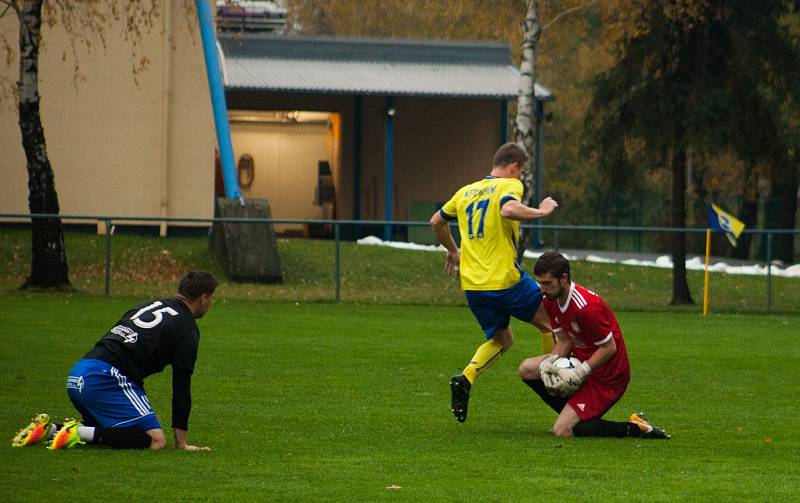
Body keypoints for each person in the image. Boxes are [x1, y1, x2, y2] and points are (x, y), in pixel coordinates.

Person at [11, 271, 218, 450]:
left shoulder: (148, 305)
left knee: (112, 430)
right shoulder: (187, 329)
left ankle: (49, 430)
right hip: (105, 378)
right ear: (204, 298)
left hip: (79, 374)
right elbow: (181, 385)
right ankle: (76, 432)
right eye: (211, 299)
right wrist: (181, 443)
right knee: (155, 440)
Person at [430, 142, 559, 423]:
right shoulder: (509, 186)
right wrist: (541, 211)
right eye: (522, 171)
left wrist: (454, 252)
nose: (521, 176)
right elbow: (508, 210)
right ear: (513, 167)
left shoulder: (465, 192)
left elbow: (436, 221)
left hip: (474, 286)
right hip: (503, 279)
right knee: (550, 322)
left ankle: (466, 377)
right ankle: (554, 383)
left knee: (502, 339)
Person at [518, 251, 669, 438]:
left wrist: (580, 371)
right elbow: (565, 341)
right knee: (527, 369)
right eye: (540, 283)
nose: (542, 289)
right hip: (584, 365)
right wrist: (551, 362)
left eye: (547, 283)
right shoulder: (551, 301)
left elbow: (609, 347)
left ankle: (635, 428)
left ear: (564, 278)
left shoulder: (586, 307)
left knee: (563, 431)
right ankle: (574, 417)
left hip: (609, 377)